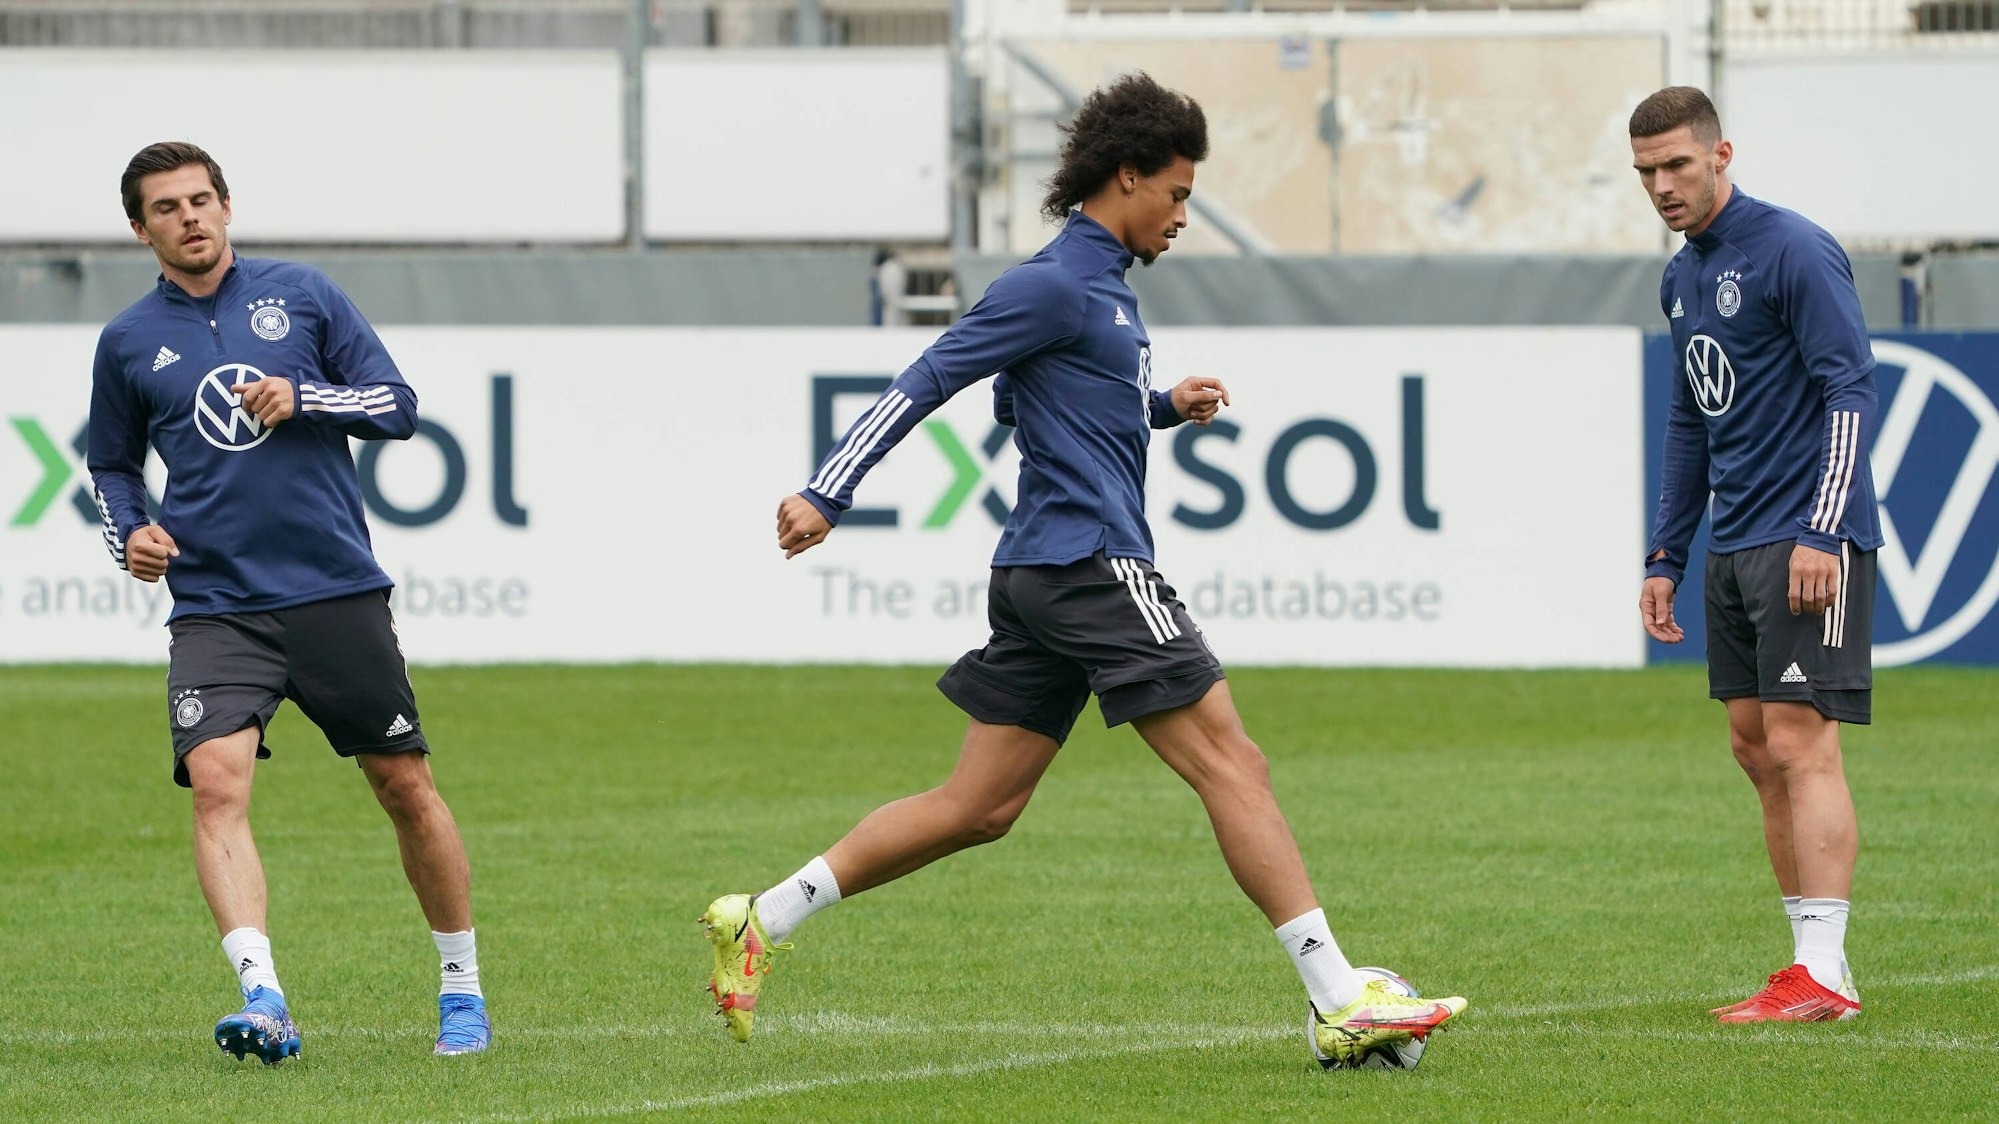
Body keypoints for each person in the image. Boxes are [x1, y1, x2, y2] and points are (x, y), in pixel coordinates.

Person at [699, 74, 1466, 1069]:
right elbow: (928, 378)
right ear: (1128, 177)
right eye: (1178, 193)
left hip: (1039, 573)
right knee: (1232, 760)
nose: (1183, 214)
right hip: (1089, 563)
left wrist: (1156, 405)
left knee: (980, 806)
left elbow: (1030, 410)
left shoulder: (1102, 290)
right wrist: (827, 491)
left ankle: (759, 917)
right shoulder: (1054, 282)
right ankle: (1337, 994)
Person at [87, 142, 491, 1062]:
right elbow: (111, 463)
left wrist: (305, 396)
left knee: (404, 787)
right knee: (217, 788)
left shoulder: (303, 294)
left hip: (333, 590)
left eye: (200, 200)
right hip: (215, 602)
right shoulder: (125, 340)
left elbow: (396, 405)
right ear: (140, 228)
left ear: (227, 207)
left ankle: (461, 990)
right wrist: (130, 534)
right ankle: (264, 1000)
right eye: (166, 208)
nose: (188, 217)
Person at [1631, 87, 1879, 1023]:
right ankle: (1809, 969)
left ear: (1720, 154)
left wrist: (1824, 528)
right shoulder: (1680, 276)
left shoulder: (1793, 248)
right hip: (1733, 543)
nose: (1661, 186)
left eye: (1676, 166)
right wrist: (1665, 551)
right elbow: (1690, 419)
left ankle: (1821, 971)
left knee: (1798, 743)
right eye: (1646, 172)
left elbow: (1849, 390)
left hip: (1806, 538)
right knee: (1751, 747)